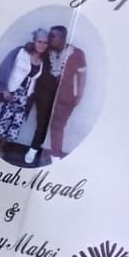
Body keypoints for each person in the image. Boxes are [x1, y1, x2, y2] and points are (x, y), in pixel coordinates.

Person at [0, 29, 46, 153]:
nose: (42, 45)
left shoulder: (43, 61)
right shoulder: (20, 52)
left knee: (12, 123)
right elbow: (4, 68)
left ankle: (1, 149)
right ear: (34, 41)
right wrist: (4, 89)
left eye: (45, 42)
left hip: (23, 97)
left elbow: (34, 80)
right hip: (9, 91)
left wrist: (29, 97)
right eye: (39, 41)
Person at [30, 24, 87, 163]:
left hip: (65, 98)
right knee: (41, 124)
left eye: (52, 36)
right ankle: (33, 149)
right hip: (44, 96)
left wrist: (78, 96)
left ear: (62, 38)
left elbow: (82, 76)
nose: (49, 39)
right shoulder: (45, 50)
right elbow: (32, 52)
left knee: (57, 127)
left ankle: (55, 156)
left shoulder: (77, 53)